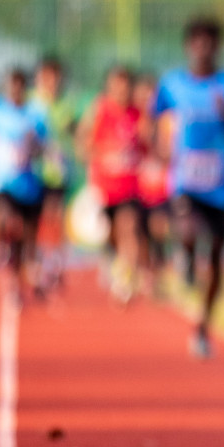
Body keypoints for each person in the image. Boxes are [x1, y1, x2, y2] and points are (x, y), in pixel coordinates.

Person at [153, 18, 224, 359]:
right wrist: (159, 148)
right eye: (197, 42)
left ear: (217, 47)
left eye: (210, 42)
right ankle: (183, 254)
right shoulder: (171, 85)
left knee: (214, 262)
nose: (203, 48)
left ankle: (202, 326)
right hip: (183, 180)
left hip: (220, 186)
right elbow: (155, 123)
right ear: (188, 46)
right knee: (186, 228)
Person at [79, 65, 146, 303]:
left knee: (129, 226)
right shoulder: (99, 110)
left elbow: (148, 146)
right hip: (104, 188)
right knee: (111, 233)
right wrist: (105, 153)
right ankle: (112, 259)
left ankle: (125, 279)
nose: (121, 91)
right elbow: (84, 146)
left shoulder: (138, 114)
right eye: (116, 86)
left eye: (126, 86)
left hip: (130, 187)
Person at [0, 67, 51, 304]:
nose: (14, 90)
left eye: (19, 85)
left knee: (27, 242)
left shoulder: (36, 114)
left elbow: (44, 145)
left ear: (25, 87)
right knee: (8, 224)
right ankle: (6, 269)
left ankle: (19, 285)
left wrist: (32, 149)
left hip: (30, 186)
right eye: (11, 85)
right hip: (1, 184)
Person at [33, 56, 80, 294]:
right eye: (47, 76)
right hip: (32, 173)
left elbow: (75, 133)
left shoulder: (66, 105)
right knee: (37, 221)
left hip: (58, 173)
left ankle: (54, 266)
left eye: (56, 77)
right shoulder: (32, 104)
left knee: (56, 218)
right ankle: (39, 263)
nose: (51, 82)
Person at [133, 72, 172, 290]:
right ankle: (143, 270)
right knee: (140, 231)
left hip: (160, 185)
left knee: (159, 228)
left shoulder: (167, 120)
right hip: (136, 186)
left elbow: (171, 150)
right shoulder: (133, 117)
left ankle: (156, 273)